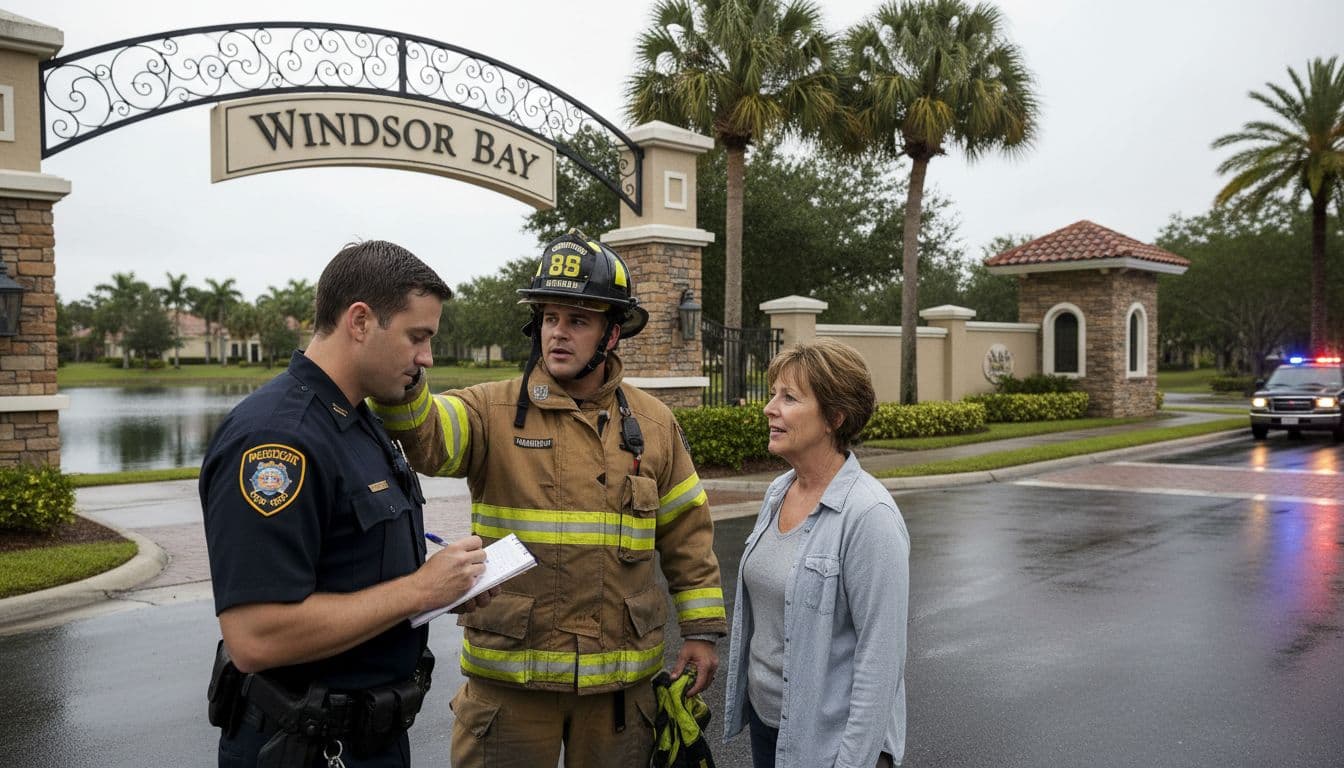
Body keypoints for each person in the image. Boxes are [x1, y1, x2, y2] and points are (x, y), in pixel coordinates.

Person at [369, 229, 728, 767]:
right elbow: (427, 436)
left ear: (611, 333)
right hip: (510, 688)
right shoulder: (488, 410)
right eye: (549, 318)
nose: (557, 334)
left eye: (578, 320)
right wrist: (405, 369)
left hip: (618, 695)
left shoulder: (654, 424)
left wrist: (700, 633)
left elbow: (687, 536)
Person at [200, 240, 493, 768]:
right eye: (417, 337)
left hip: (367, 738)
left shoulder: (360, 423)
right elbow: (255, 636)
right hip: (303, 747)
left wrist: (440, 592)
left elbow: (353, 572)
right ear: (359, 321)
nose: (426, 357)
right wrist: (417, 589)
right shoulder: (278, 439)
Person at [723, 339, 910, 768]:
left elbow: (880, 664)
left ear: (834, 417)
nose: (770, 408)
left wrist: (853, 762)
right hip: (770, 728)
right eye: (774, 395)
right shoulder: (778, 492)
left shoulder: (869, 515)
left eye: (789, 398)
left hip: (829, 744)